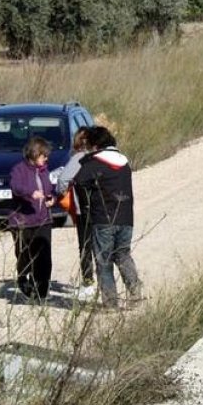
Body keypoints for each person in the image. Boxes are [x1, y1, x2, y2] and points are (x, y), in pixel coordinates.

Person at [74, 126, 142, 309]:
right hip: (126, 217)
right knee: (123, 255)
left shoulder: (94, 163)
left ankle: (111, 303)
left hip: (103, 219)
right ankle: (135, 295)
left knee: (103, 260)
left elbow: (79, 182)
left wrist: (86, 206)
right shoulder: (124, 162)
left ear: (95, 145)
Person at [8, 136, 55, 301]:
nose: (46, 158)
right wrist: (30, 192)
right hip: (23, 221)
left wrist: (51, 198)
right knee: (25, 255)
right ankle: (23, 277)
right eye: (43, 155)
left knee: (44, 257)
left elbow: (49, 189)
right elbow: (15, 187)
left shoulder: (45, 171)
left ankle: (41, 292)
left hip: (43, 220)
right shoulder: (18, 170)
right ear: (34, 154)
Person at [55, 126, 94, 288]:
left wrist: (61, 194)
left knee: (85, 246)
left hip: (83, 209)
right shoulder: (103, 156)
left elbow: (63, 180)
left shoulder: (79, 158)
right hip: (107, 208)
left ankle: (88, 282)